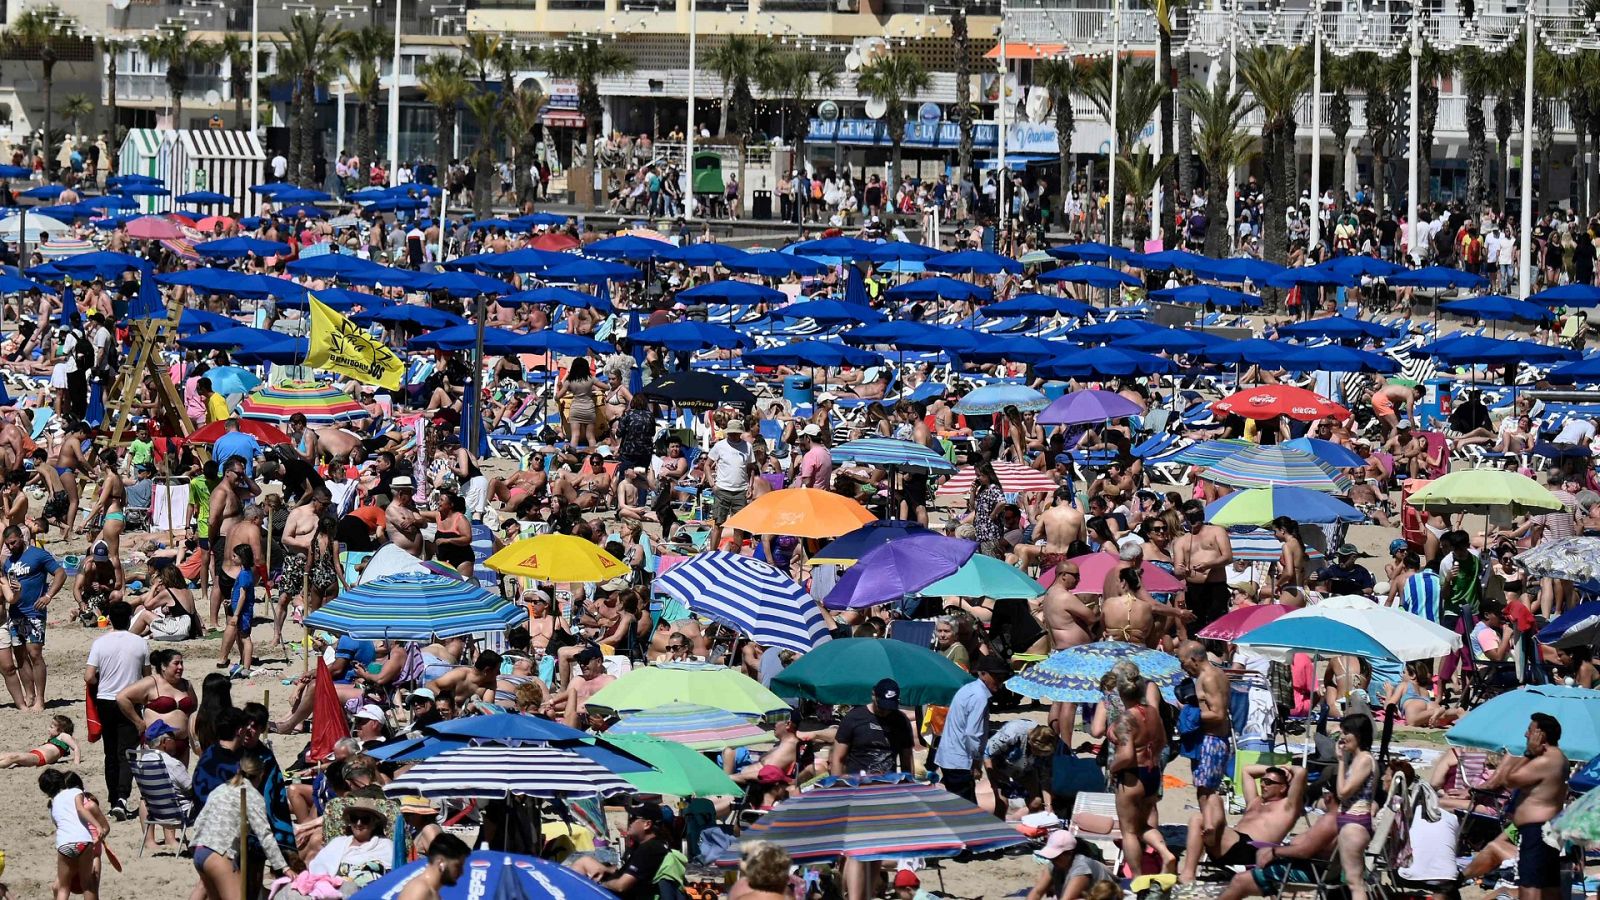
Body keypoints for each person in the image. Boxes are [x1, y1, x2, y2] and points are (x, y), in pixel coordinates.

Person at [1483, 713, 1569, 900]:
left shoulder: (1545, 760)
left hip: (1537, 832)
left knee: (1530, 888)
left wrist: (1529, 753)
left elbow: (1510, 779)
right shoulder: (1557, 757)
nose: (1525, 734)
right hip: (1545, 830)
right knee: (1548, 888)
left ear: (1541, 735)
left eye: (1530, 730)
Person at [189, 754, 293, 900]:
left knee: (205, 891)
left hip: (199, 848)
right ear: (261, 774)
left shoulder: (221, 789)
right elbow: (265, 836)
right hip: (219, 852)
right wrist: (283, 867)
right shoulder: (252, 796)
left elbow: (201, 819)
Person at [1180, 763, 1305, 880]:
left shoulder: (1287, 807)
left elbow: (1301, 772)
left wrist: (1287, 769)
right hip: (1232, 843)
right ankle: (1209, 833)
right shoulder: (1255, 801)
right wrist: (1276, 767)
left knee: (1200, 817)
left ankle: (1208, 836)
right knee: (1212, 800)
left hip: (1251, 850)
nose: (1262, 785)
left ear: (1282, 788)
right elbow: (1247, 770)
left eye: (1268, 782)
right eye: (1262, 780)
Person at [83, 600, 148, 820]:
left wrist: (102, 682)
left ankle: (113, 800)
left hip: (106, 701)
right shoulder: (140, 643)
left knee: (110, 752)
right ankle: (121, 798)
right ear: (130, 619)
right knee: (127, 752)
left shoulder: (100, 643)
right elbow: (147, 677)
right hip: (130, 700)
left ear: (109, 619)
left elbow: (89, 677)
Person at [3, 523, 65, 712]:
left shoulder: (38, 554)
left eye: (13, 542)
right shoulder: (8, 562)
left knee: (35, 653)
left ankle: (40, 698)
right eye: (8, 544)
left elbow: (60, 573)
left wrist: (48, 595)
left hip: (34, 612)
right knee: (20, 656)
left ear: (21, 537)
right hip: (15, 613)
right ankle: (29, 694)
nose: (11, 546)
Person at [933, 655, 1011, 804]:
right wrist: (976, 762)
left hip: (949, 757)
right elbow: (973, 734)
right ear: (982, 674)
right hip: (960, 761)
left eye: (1002, 678)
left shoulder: (969, 689)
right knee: (966, 809)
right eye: (996, 677)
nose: (999, 682)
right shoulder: (979, 697)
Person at [1181, 641, 1232, 861]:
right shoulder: (1216, 674)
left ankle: (1212, 838)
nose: (1183, 667)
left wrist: (1188, 715)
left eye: (1183, 662)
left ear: (1194, 659)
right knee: (1206, 791)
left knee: (1206, 793)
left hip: (1212, 740)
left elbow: (1218, 714)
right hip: (1212, 740)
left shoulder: (1209, 678)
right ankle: (1214, 839)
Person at [43, 768, 112, 900]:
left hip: (65, 844)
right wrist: (98, 827)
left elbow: (60, 825)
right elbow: (80, 809)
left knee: (63, 888)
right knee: (88, 885)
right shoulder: (76, 792)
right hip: (84, 842)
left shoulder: (52, 805)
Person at [1334, 713, 1378, 900]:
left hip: (1355, 824)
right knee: (1351, 881)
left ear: (1358, 735)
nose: (1342, 737)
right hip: (1350, 821)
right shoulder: (1358, 759)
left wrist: (1341, 761)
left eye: (1346, 732)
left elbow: (1343, 792)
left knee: (1355, 883)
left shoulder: (1365, 760)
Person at [832, 678, 915, 777]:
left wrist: (910, 782)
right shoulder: (853, 718)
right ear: (873, 695)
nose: (885, 711)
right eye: (881, 706)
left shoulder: (901, 721)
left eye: (889, 708)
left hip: (888, 782)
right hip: (857, 782)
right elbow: (838, 758)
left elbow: (907, 759)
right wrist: (836, 782)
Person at [308, 796, 395, 887]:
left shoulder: (385, 846)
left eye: (365, 819)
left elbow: (393, 875)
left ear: (374, 824)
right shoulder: (337, 843)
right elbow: (318, 867)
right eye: (354, 818)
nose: (358, 823)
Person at [1025, 831, 1113, 900]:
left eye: (1056, 857)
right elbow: (1037, 892)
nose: (1053, 860)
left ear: (1069, 853)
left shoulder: (1081, 867)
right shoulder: (1054, 864)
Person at [395, 833, 470, 900]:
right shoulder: (420, 891)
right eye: (457, 866)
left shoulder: (429, 890)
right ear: (440, 863)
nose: (461, 872)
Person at [0, 714, 79, 768]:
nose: (48, 729)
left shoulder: (64, 735)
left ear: (61, 730)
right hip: (35, 754)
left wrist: (76, 763)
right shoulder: (54, 738)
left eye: (51, 727)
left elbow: (76, 748)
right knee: (8, 755)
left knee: (14, 757)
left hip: (39, 758)